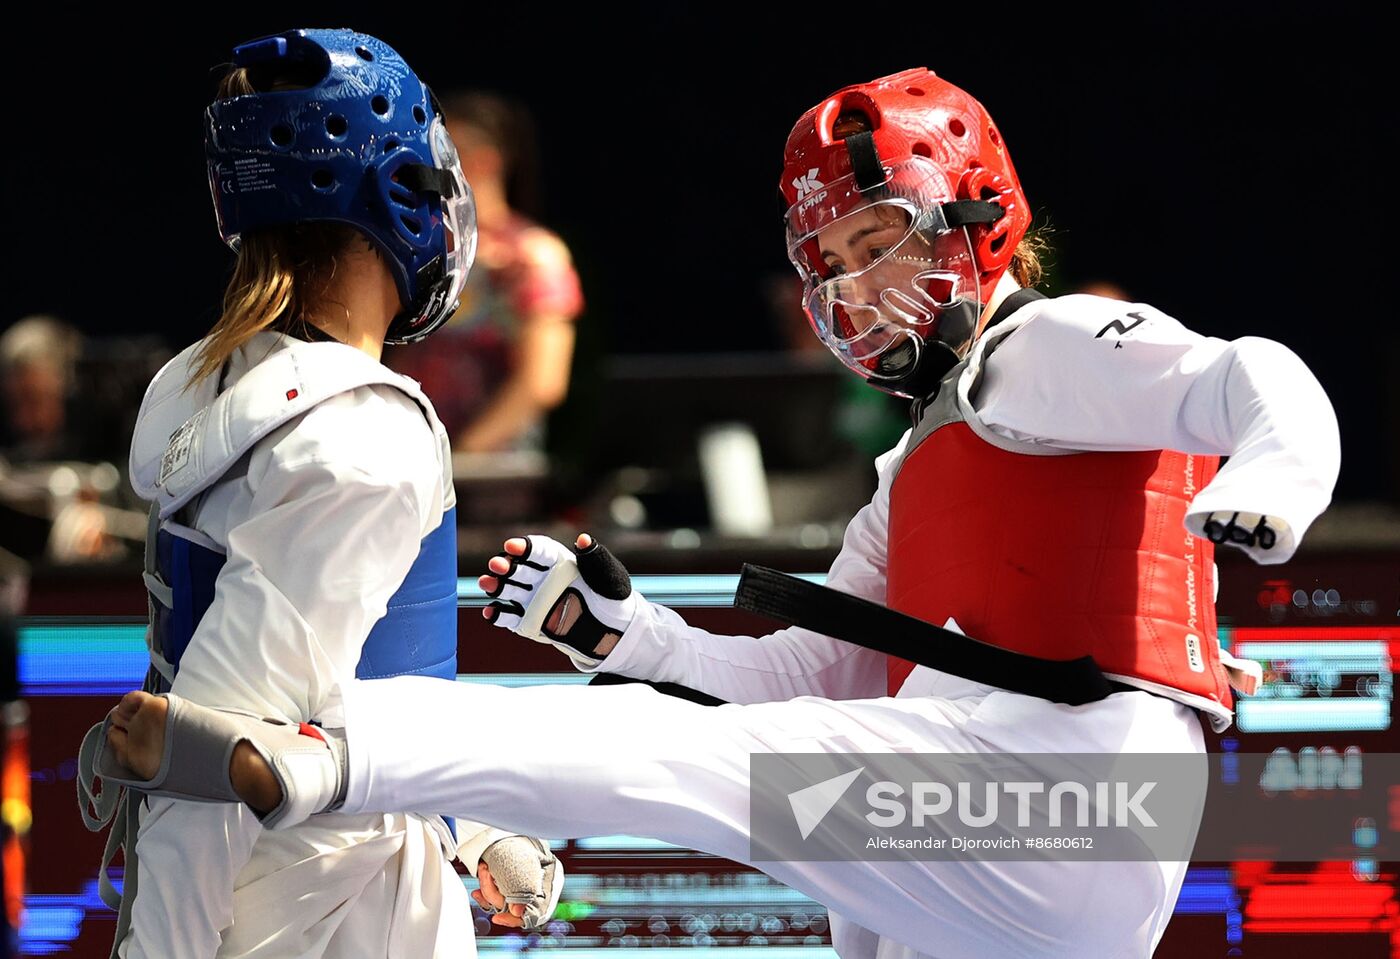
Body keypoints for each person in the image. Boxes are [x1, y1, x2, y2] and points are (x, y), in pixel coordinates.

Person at [97, 67, 1340, 958]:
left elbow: (1252, 376)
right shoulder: (923, 463)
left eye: (881, 240)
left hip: (1074, 789)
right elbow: (810, 670)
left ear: (976, 215)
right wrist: (627, 639)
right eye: (831, 264)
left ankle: (320, 754)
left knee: (690, 766)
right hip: (1015, 832)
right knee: (743, 786)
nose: (858, 288)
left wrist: (1270, 478)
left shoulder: (1046, 350)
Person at [76, 28, 560, 958]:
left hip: (322, 875)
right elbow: (209, 755)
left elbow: (341, 688)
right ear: (394, 196)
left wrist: (463, 824)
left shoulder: (215, 380)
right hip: (328, 911)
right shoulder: (359, 434)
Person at [387, 92, 583, 454]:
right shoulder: (426, 249)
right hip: (414, 466)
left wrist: (462, 458)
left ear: (483, 162)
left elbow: (543, 381)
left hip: (492, 480)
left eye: (442, 154)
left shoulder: (534, 256)